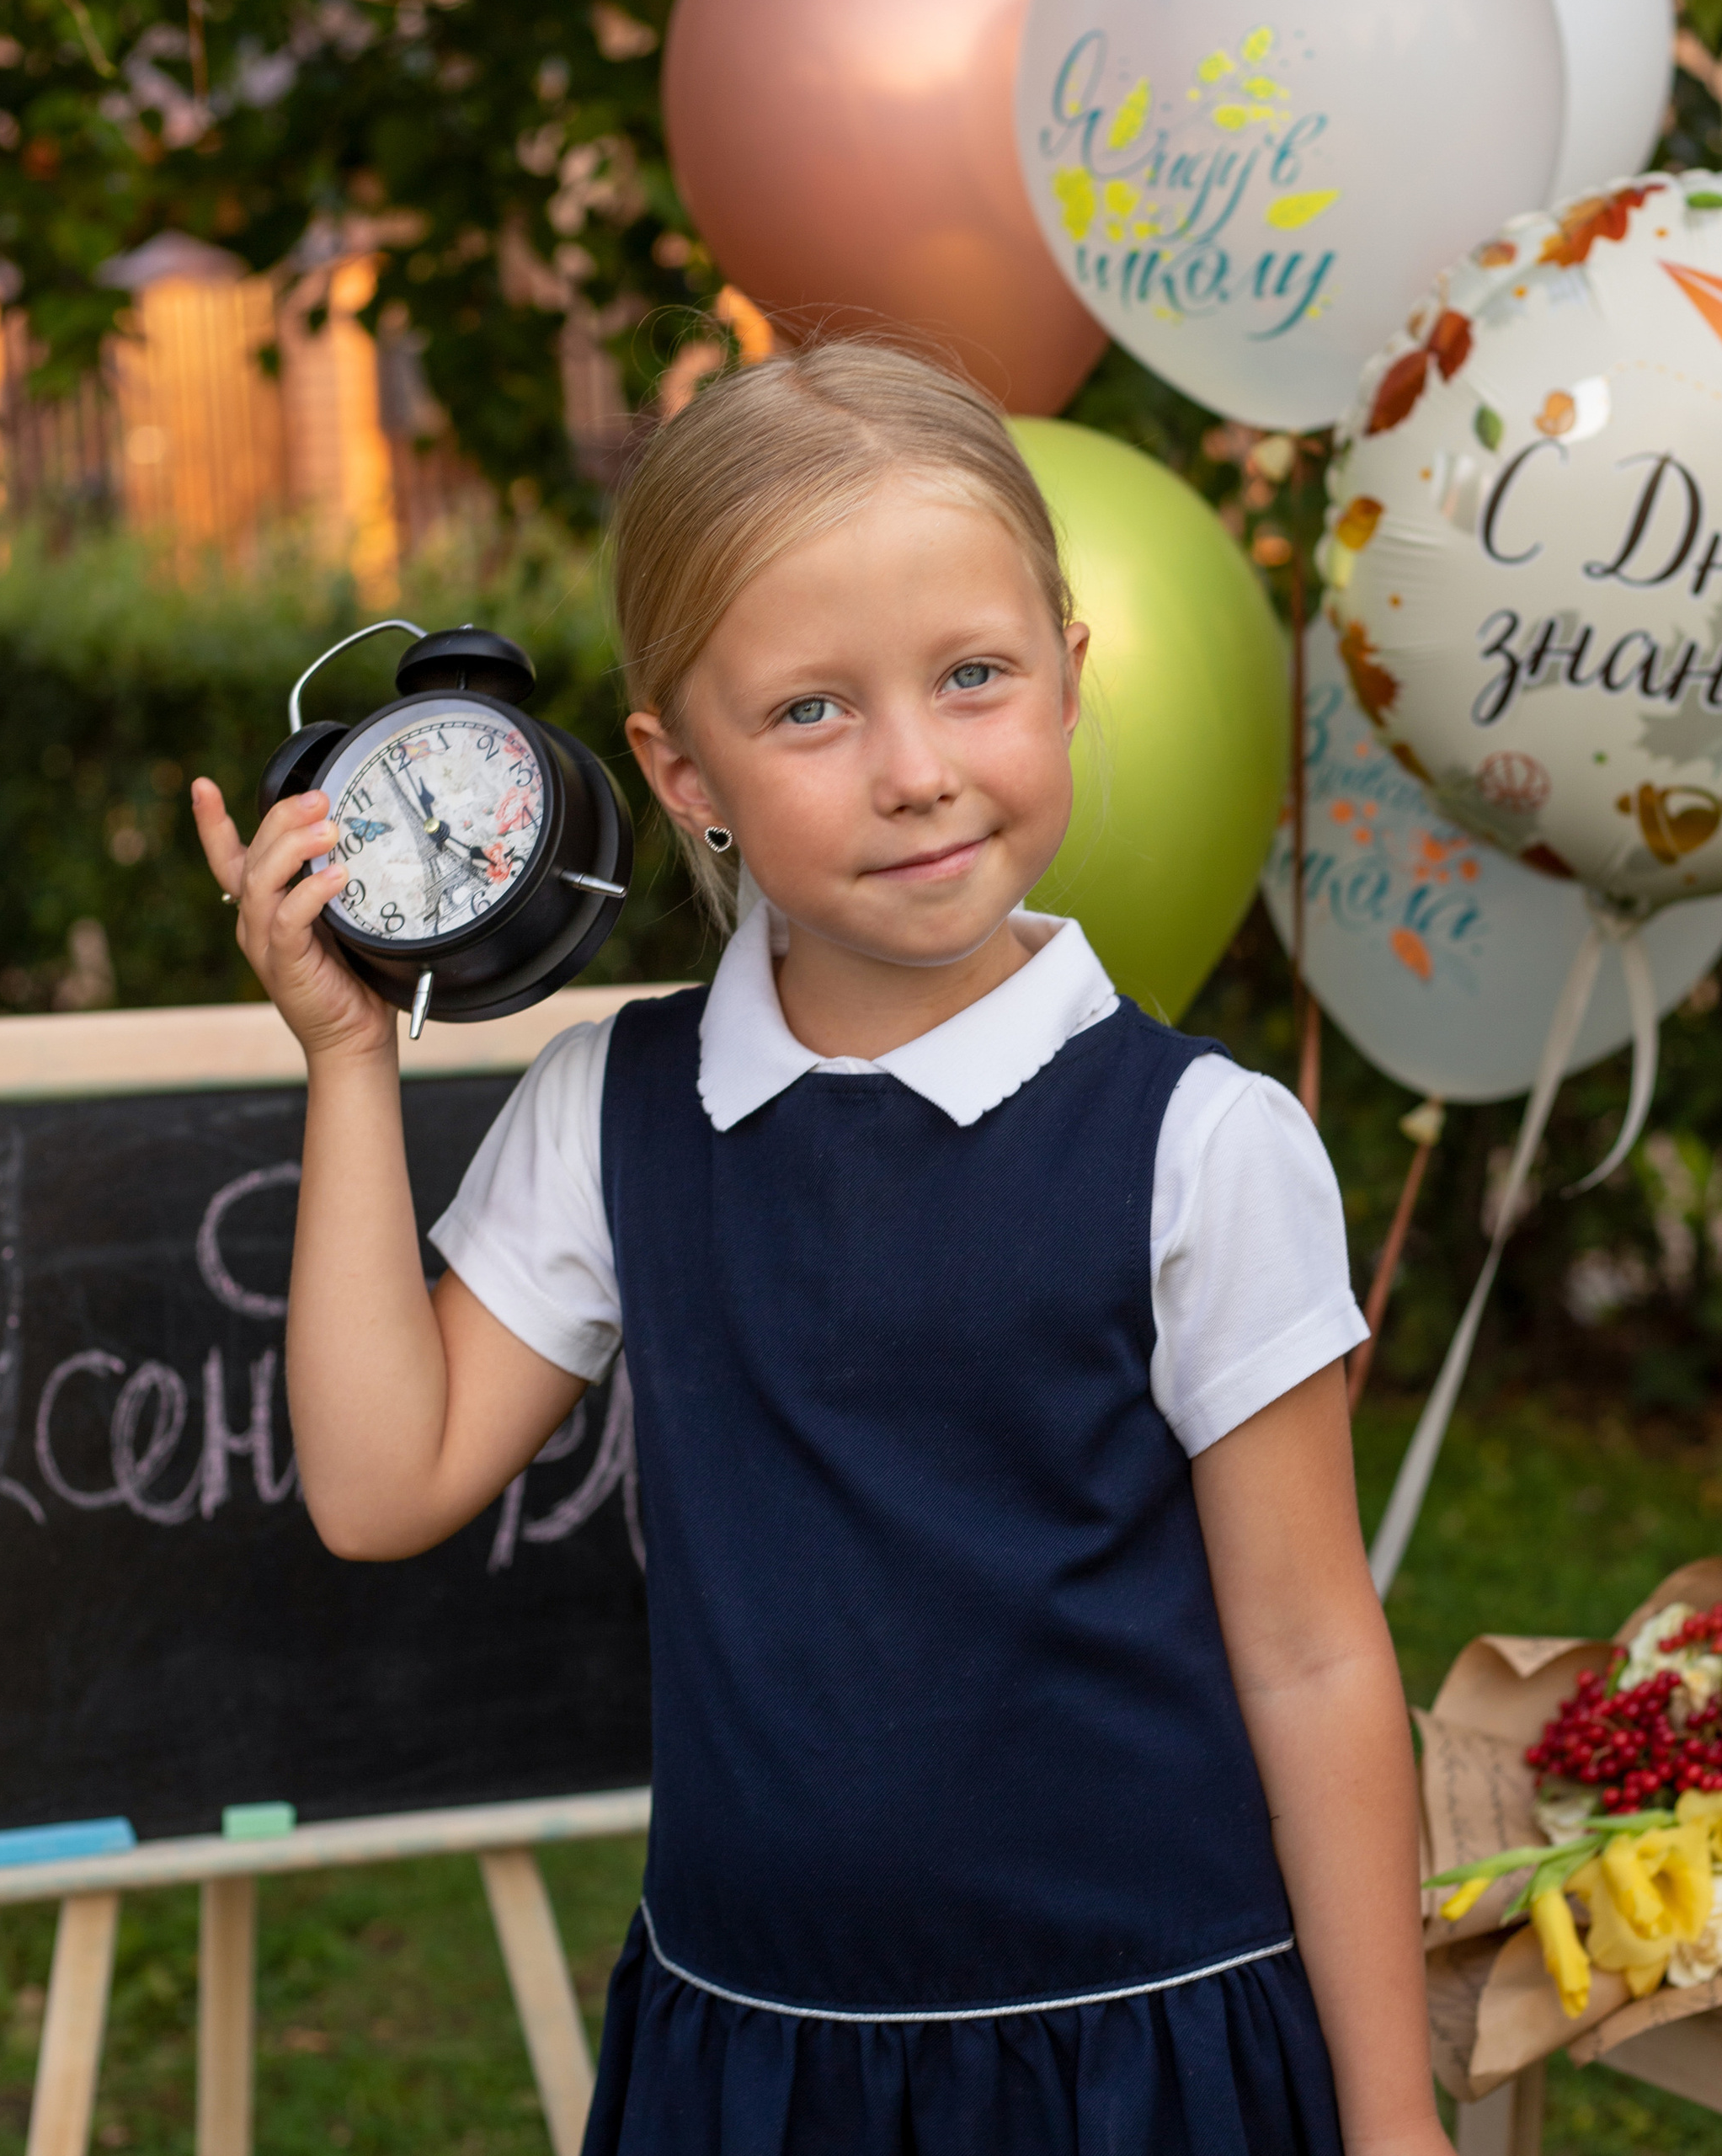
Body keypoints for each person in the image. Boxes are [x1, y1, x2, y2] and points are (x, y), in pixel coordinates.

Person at [192, 342, 1453, 2156]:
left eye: (970, 677)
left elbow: (1315, 1659)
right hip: (755, 2064)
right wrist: (341, 1057)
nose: (917, 770)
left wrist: (1391, 2116)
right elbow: (381, 1482)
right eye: (810, 712)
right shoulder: (610, 1112)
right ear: (677, 764)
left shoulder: (1201, 1142)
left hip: (1144, 2059)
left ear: (1069, 679)